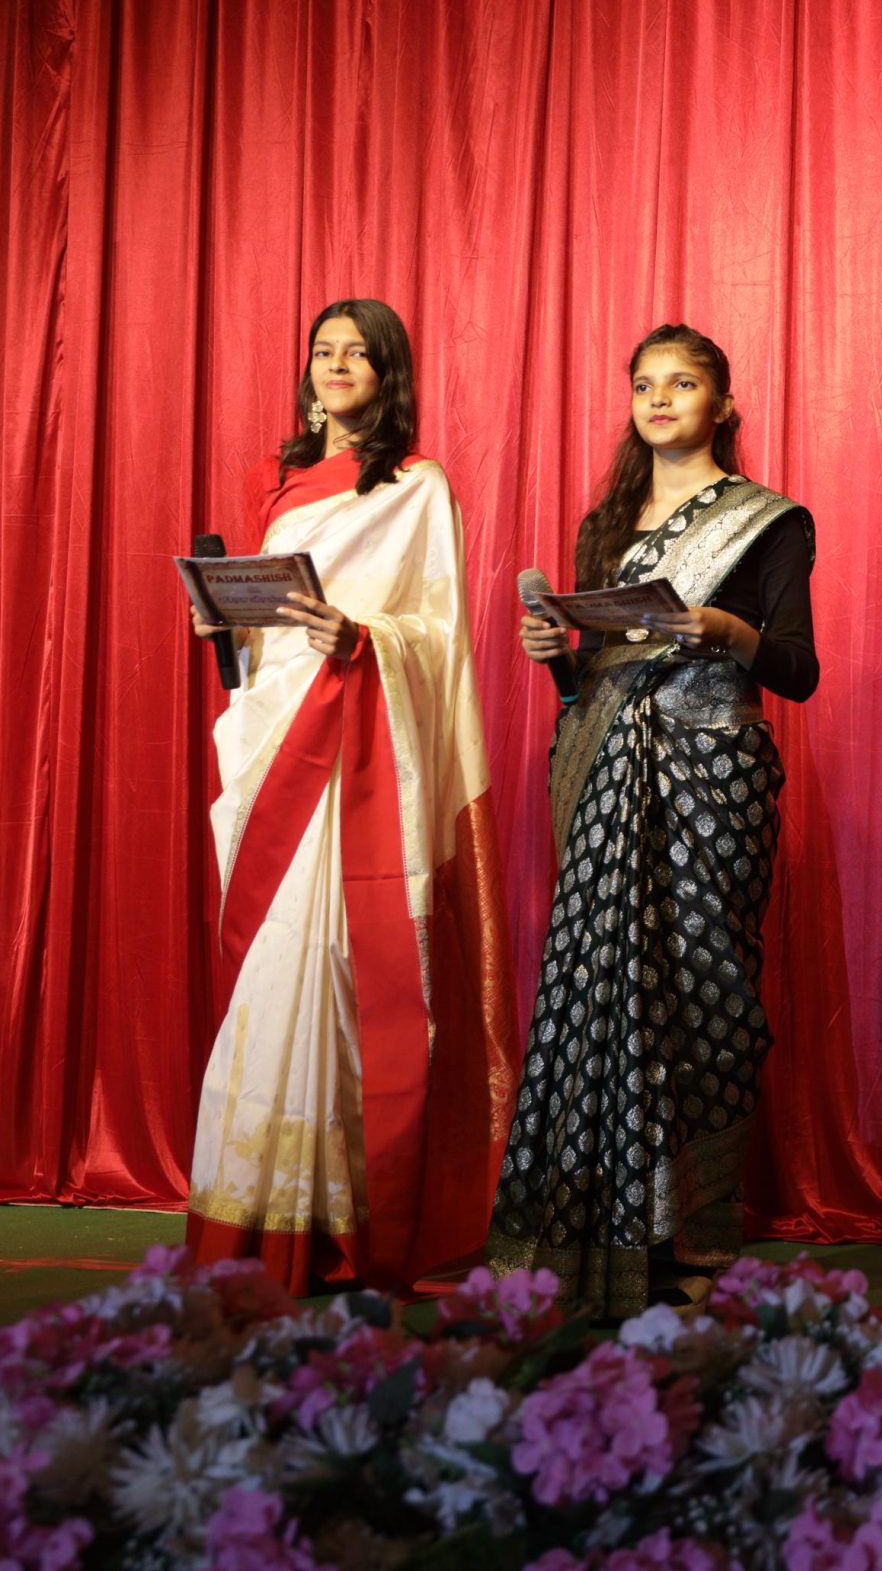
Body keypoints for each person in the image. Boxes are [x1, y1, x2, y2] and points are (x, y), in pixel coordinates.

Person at [184, 297, 518, 1293]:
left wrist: (365, 641)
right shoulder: (279, 481)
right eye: (324, 351)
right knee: (272, 971)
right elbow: (268, 629)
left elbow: (440, 635)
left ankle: (344, 1219)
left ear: (387, 374)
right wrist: (223, 621)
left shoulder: (415, 486)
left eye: (357, 355)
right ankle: (258, 1218)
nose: (336, 367)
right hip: (276, 738)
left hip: (357, 758)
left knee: (331, 968)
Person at [486, 323, 818, 1317]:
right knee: (603, 993)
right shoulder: (608, 524)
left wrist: (719, 628)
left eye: (682, 383)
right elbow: (587, 681)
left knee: (709, 1003)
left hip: (713, 781)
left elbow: (797, 668)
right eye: (644, 384)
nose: (660, 398)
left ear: (723, 404)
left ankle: (701, 1233)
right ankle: (600, 1229)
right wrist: (555, 652)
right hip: (605, 775)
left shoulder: (769, 523)